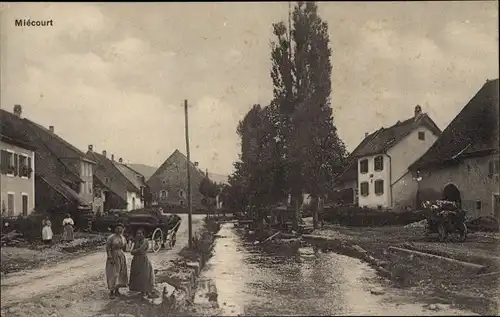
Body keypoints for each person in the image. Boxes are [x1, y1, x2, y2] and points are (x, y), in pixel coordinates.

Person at [129, 228, 157, 298]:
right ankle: (141, 290)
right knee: (137, 275)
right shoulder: (136, 241)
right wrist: (134, 251)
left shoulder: (145, 241)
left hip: (143, 259)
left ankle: (145, 291)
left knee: (144, 275)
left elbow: (139, 250)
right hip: (136, 260)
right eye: (137, 233)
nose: (139, 235)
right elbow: (132, 251)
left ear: (143, 235)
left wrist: (134, 251)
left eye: (140, 233)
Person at [105, 223, 128, 298]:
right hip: (113, 255)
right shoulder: (111, 237)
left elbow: (125, 248)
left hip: (121, 256)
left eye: (120, 228)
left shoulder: (123, 237)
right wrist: (110, 257)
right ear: (114, 229)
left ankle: (117, 290)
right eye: (117, 228)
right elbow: (108, 248)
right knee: (113, 273)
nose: (119, 230)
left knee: (120, 273)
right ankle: (111, 291)